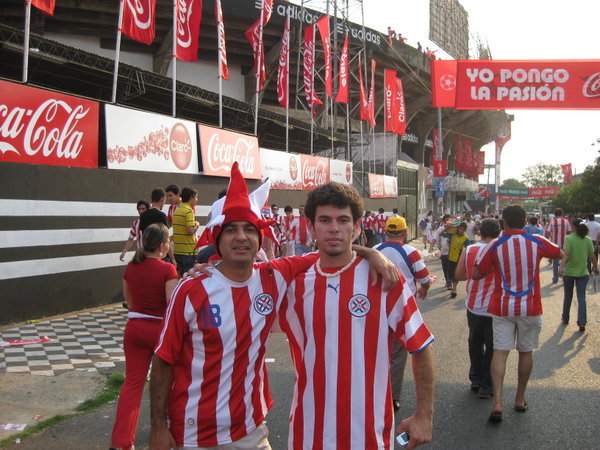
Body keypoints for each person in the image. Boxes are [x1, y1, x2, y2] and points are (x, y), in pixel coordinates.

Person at [150, 164, 397, 450]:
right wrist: (158, 426)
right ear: (217, 238)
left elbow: (329, 250)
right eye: (231, 230)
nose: (241, 237)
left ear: (260, 238)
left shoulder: (272, 276)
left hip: (251, 430)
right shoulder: (192, 288)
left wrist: (370, 253)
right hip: (193, 435)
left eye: (248, 230)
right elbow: (163, 358)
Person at [279, 182, 435, 449]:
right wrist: (200, 271)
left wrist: (425, 415)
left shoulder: (384, 280)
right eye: (325, 220)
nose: (334, 228)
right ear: (311, 226)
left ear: (357, 226)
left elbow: (420, 346)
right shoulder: (291, 284)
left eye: (343, 220)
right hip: (308, 431)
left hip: (368, 434)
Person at [473, 205, 562, 423]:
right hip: (530, 307)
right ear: (525, 221)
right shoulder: (537, 241)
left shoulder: (495, 245)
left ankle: (497, 404)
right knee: (526, 351)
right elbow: (560, 253)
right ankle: (520, 398)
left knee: (500, 352)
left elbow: (476, 273)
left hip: (502, 307)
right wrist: (560, 270)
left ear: (504, 222)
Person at [110, 223, 178, 450]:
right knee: (166, 384)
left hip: (135, 329)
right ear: (163, 245)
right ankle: (169, 434)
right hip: (160, 331)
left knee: (132, 384)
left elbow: (129, 301)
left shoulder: (131, 267)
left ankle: (121, 442)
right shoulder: (168, 269)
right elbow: (172, 305)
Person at [374, 215, 432, 412]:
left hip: (377, 307)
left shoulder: (375, 250)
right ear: (405, 232)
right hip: (402, 309)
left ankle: (373, 392)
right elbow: (424, 278)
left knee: (377, 351)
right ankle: (392, 396)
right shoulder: (411, 251)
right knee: (398, 354)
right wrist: (425, 289)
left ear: (385, 231)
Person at [455, 218, 501, 400]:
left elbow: (459, 275)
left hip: (474, 305)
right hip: (496, 307)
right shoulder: (502, 250)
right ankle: (486, 385)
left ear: (480, 232)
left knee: (474, 342)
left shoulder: (470, 249)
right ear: (499, 233)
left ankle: (475, 377)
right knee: (492, 346)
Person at [559, 219, 598, 332]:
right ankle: (582, 322)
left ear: (574, 227)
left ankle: (565, 318)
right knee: (581, 298)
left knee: (568, 296)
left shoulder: (568, 238)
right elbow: (592, 257)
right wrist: (595, 268)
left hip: (569, 273)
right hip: (583, 273)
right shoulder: (588, 240)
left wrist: (561, 267)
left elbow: (565, 255)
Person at [172, 187, 200, 276]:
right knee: (189, 278)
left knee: (182, 277)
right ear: (191, 197)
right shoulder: (189, 211)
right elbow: (190, 231)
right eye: (196, 197)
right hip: (188, 252)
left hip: (177, 251)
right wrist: (197, 226)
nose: (197, 199)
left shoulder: (177, 210)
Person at [546, 208, 572, 283]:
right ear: (562, 213)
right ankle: (564, 277)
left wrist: (551, 237)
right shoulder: (566, 221)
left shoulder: (552, 221)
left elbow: (547, 231)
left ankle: (555, 278)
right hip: (565, 244)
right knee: (564, 261)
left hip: (555, 244)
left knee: (555, 262)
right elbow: (569, 232)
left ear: (555, 214)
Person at [448, 222, 469, 298]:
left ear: (465, 230)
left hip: (458, 258)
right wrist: (448, 226)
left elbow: (468, 247)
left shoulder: (465, 238)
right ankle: (451, 284)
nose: (461, 230)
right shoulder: (452, 235)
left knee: (455, 274)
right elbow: (441, 234)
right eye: (460, 228)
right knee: (450, 273)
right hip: (450, 257)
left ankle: (454, 289)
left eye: (463, 229)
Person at [432, 214, 452, 289]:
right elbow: (435, 239)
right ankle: (448, 282)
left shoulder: (455, 229)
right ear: (443, 221)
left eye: (449, 220)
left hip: (453, 252)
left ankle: (450, 282)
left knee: (452, 268)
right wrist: (433, 249)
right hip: (444, 252)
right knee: (445, 268)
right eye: (446, 220)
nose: (448, 221)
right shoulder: (440, 230)